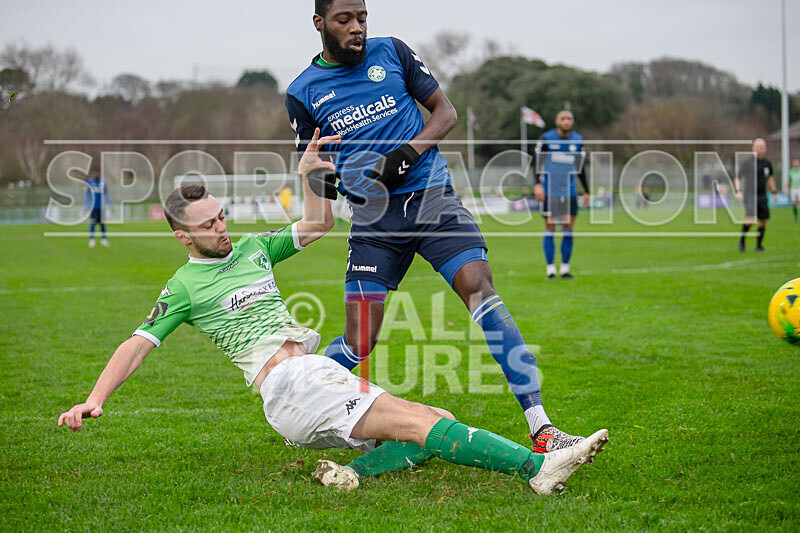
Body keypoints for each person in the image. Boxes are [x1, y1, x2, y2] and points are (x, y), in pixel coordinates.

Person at [57, 129, 609, 495]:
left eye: (221, 217)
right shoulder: (183, 285)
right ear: (182, 237)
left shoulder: (252, 248)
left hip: (310, 381)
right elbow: (138, 342)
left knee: (430, 423)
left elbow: (318, 224)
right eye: (206, 226)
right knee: (419, 423)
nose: (220, 228)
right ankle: (538, 468)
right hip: (291, 383)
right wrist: (94, 398)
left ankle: (346, 473)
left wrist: (310, 174)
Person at [285, 0, 589, 452]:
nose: (357, 29)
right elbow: (319, 176)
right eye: (344, 20)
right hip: (373, 219)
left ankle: (541, 427)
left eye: (362, 18)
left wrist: (404, 154)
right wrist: (314, 174)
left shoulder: (393, 53)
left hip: (432, 198)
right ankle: (300, 404)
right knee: (359, 339)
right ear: (319, 24)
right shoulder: (303, 91)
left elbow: (445, 114)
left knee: (479, 286)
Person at [531, 110, 590, 280]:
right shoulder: (546, 139)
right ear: (557, 121)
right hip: (550, 190)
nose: (566, 121)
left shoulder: (578, 140)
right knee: (549, 227)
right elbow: (536, 163)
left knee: (568, 228)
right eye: (563, 118)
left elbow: (581, 168)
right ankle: (550, 269)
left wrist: (586, 191)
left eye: (569, 118)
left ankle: (565, 268)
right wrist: (537, 184)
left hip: (569, 191)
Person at [735, 138, 779, 252]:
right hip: (749, 195)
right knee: (750, 219)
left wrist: (774, 192)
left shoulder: (767, 163)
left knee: (763, 221)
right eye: (758, 147)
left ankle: (759, 246)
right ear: (753, 148)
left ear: (765, 149)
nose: (760, 150)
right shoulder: (747, 163)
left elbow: (770, 178)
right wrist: (738, 191)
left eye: (762, 147)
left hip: (762, 195)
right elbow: (737, 177)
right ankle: (742, 242)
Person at [84, 168, 112, 247]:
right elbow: (87, 195)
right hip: (93, 208)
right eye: (94, 173)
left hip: (102, 208)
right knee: (92, 223)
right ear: (93, 174)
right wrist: (85, 207)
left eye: (97, 173)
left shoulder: (103, 182)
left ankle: (104, 240)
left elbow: (107, 194)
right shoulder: (89, 182)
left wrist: (110, 205)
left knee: (103, 224)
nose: (96, 175)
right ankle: (92, 240)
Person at [788, 159, 800, 223]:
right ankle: (796, 217)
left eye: (797, 164)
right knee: (794, 203)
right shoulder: (791, 172)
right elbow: (789, 181)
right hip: (793, 189)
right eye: (795, 164)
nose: (796, 165)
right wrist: (785, 188)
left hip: (799, 188)